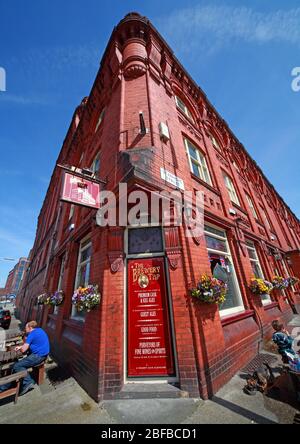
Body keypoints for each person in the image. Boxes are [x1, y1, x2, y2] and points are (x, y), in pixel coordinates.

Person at [0, 320, 50, 395]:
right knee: (17, 365)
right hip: (44, 354)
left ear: (30, 327)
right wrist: (21, 346)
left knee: (17, 365)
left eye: (26, 328)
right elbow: (31, 344)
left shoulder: (31, 335)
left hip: (38, 356)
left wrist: (21, 347)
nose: (25, 329)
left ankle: (27, 382)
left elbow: (23, 350)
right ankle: (13, 383)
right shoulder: (40, 330)